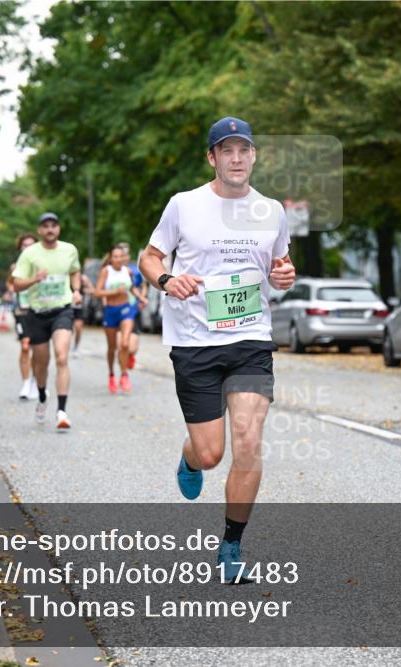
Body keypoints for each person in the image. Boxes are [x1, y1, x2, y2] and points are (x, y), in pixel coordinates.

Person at [139, 116, 296, 583]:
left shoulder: (271, 211)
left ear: (253, 156)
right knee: (212, 454)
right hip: (195, 342)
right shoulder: (184, 205)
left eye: (243, 150)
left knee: (247, 442)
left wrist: (284, 275)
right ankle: (190, 457)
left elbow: (279, 265)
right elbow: (150, 257)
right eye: (226, 150)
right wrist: (167, 279)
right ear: (212, 157)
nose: (236, 158)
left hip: (250, 339)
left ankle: (232, 545)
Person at [11, 212, 83, 431]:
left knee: (62, 356)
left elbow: (75, 271)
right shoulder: (29, 254)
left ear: (58, 229)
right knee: (41, 362)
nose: (50, 229)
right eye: (45, 226)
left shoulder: (69, 250)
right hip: (37, 313)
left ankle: (62, 411)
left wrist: (77, 290)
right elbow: (16, 284)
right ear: (39, 230)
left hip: (62, 309)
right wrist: (35, 279)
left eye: (53, 225)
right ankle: (42, 395)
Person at [93, 246, 143, 393]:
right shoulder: (106, 271)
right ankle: (111, 375)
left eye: (121, 256)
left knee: (125, 343)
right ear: (110, 258)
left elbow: (132, 288)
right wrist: (114, 292)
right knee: (112, 347)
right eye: (115, 256)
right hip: (110, 311)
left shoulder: (128, 271)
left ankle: (124, 375)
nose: (118, 259)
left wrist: (141, 298)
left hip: (126, 309)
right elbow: (97, 292)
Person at [9, 232, 39, 401]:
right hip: (22, 310)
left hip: (39, 309)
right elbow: (11, 284)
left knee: (38, 349)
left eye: (31, 245)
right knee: (25, 346)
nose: (28, 248)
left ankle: (36, 381)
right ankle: (26, 382)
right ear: (20, 248)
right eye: (24, 245)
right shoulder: (16, 267)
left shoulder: (42, 265)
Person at [118, 243, 149, 369]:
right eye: (121, 254)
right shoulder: (111, 270)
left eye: (125, 254)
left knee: (133, 348)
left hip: (133, 308)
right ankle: (122, 372)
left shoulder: (135, 270)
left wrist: (142, 299)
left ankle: (130, 356)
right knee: (122, 345)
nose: (123, 257)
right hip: (118, 310)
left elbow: (143, 286)